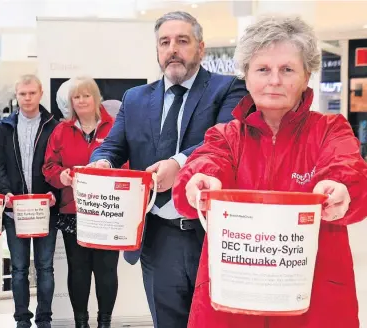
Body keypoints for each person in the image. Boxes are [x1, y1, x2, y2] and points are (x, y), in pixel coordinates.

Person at [172, 16, 367, 328]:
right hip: (233, 302)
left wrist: (339, 187)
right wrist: (200, 181)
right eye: (263, 69)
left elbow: (347, 169)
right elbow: (204, 164)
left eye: (287, 69)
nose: (274, 80)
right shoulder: (225, 135)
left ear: (306, 77)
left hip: (314, 304)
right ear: (246, 77)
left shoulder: (330, 130)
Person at [89, 11, 248, 328]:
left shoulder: (229, 89)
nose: (172, 49)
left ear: (200, 48)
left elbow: (227, 138)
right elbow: (113, 145)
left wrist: (180, 163)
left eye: (182, 41)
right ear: (157, 50)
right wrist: (102, 162)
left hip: (210, 234)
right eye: (165, 42)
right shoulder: (134, 98)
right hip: (157, 237)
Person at [43, 76, 123, 328]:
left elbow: (127, 163)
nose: (81, 100)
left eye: (86, 95)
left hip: (108, 213)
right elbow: (48, 166)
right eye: (76, 97)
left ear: (96, 98)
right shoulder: (61, 130)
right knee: (78, 270)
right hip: (73, 211)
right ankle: (81, 323)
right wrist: (62, 176)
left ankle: (104, 323)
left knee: (106, 270)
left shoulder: (115, 128)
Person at [0, 74, 59, 328]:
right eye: (22, 94)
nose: (27, 98)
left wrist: (56, 194)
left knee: (45, 268)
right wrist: (5, 192)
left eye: (32, 93)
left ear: (40, 94)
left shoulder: (55, 126)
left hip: (45, 212)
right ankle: (21, 320)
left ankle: (44, 320)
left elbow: (59, 164)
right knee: (18, 269)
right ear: (16, 95)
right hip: (13, 212)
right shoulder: (3, 128)